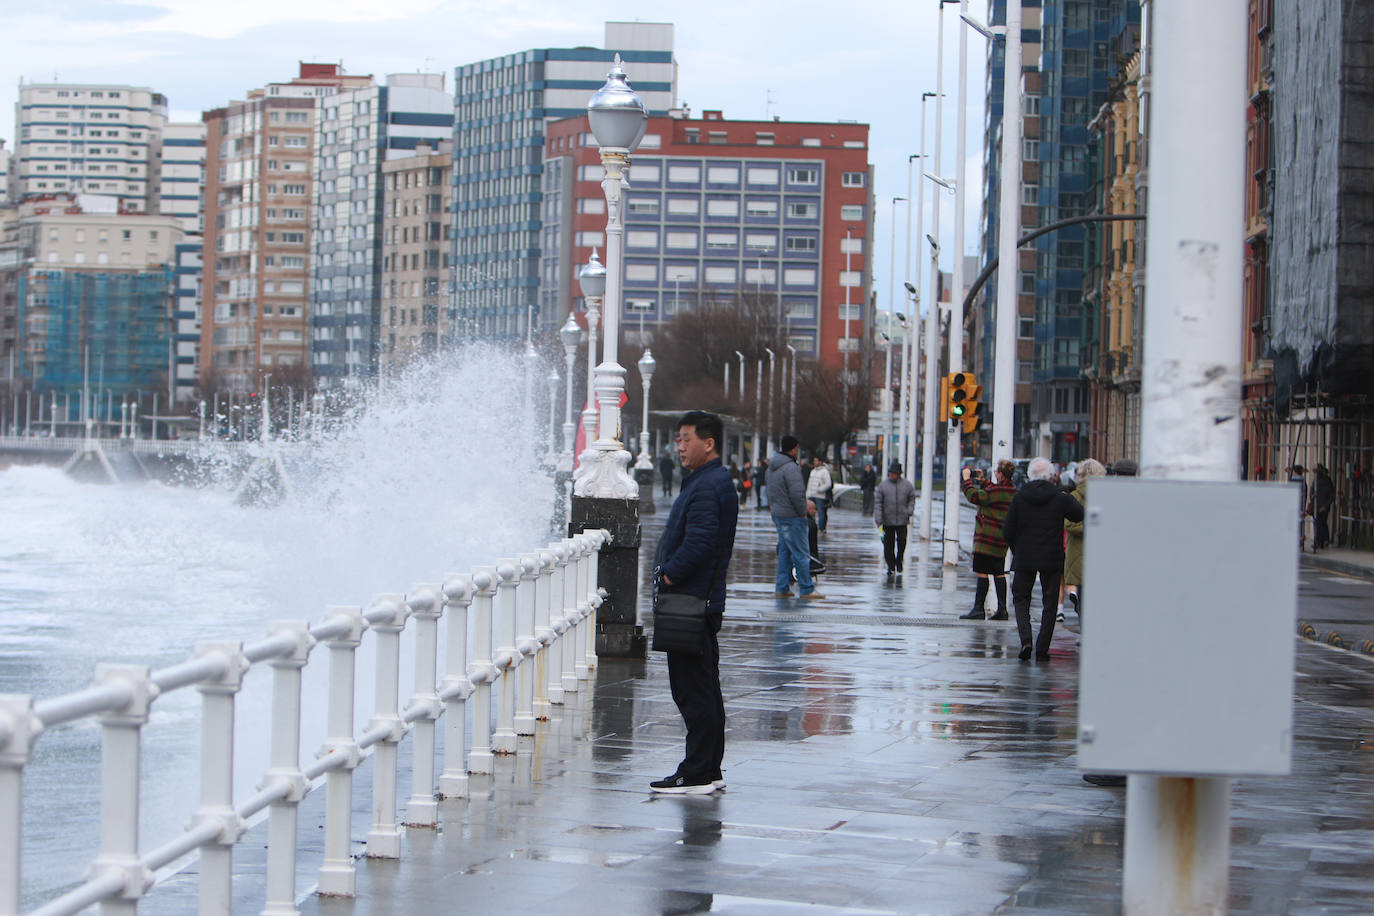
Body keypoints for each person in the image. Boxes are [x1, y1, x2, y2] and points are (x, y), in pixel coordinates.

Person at [650, 411, 739, 794]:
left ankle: (699, 771)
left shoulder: (707, 486)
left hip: (691, 600)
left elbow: (700, 543)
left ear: (709, 443)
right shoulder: (708, 481)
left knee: (693, 689)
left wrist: (668, 573)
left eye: (687, 439)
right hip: (699, 598)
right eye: (679, 439)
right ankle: (707, 769)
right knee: (702, 687)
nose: (680, 446)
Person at [1002, 456, 1085, 661]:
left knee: (1021, 599)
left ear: (1030, 475)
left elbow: (1008, 530)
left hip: (1024, 556)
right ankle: (1042, 648)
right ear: (1052, 476)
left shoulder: (1020, 497)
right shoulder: (1059, 497)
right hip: (1051, 556)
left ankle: (1026, 641)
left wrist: (1017, 548)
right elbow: (1078, 514)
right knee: (1050, 603)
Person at [767, 435, 824, 599]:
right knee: (801, 553)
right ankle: (806, 588)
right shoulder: (791, 468)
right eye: (797, 448)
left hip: (778, 514)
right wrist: (802, 512)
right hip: (793, 516)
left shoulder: (772, 467)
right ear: (793, 449)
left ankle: (782, 587)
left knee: (785, 551)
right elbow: (797, 493)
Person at [959, 460, 1017, 620]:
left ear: (1000, 474)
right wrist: (983, 481)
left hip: (987, 538)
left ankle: (978, 608)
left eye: (997, 472)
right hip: (1001, 539)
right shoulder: (1011, 490)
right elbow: (994, 491)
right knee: (998, 572)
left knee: (982, 571)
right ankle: (1003, 609)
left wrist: (966, 480)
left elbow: (975, 496)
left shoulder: (997, 491)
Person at [1061, 458, 1106, 622]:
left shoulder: (1073, 497)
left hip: (1077, 554)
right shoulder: (1106, 496)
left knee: (1082, 598)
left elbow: (1068, 524)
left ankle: (1085, 634)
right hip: (1100, 552)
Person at [874, 461, 916, 578]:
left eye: (894, 473)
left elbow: (912, 498)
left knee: (902, 541)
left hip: (902, 520)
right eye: (890, 473)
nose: (892, 475)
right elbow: (878, 503)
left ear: (899, 474)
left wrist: (909, 511)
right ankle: (891, 565)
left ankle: (899, 561)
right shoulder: (883, 486)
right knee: (888, 544)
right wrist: (878, 518)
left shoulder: (907, 486)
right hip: (888, 520)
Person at [806, 455, 834, 533]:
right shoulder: (813, 471)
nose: (814, 462)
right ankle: (811, 526)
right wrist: (807, 494)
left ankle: (821, 528)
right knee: (809, 512)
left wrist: (819, 489)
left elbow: (828, 484)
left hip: (820, 496)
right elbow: (809, 483)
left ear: (820, 462)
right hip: (811, 495)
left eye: (816, 460)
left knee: (821, 512)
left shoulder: (825, 472)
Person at [1309, 464, 1335, 550]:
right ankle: (1319, 540)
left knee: (1321, 523)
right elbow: (1311, 492)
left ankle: (1322, 540)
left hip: (1324, 506)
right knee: (1317, 523)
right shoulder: (1315, 481)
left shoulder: (1327, 481)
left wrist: (1326, 506)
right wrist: (1313, 497)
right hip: (1317, 505)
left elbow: (1331, 495)